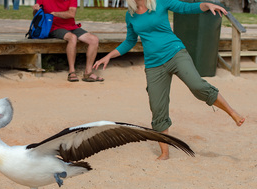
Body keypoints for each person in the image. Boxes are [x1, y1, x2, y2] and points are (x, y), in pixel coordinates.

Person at [93, 0, 245, 160]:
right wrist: (109, 56)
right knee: (157, 106)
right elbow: (130, 41)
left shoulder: (160, 2)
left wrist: (207, 5)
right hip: (154, 65)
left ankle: (232, 112)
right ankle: (164, 153)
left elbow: (187, 8)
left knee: (197, 85)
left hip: (175, 54)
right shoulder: (130, 15)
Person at [33, 0, 104, 82]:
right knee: (72, 37)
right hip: (53, 27)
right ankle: (72, 71)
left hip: (72, 27)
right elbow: (36, 16)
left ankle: (88, 73)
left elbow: (71, 14)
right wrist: (36, 10)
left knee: (94, 39)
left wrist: (54, 13)